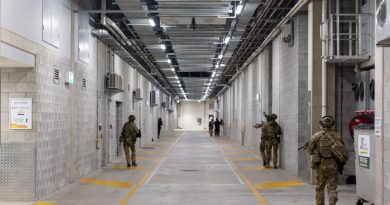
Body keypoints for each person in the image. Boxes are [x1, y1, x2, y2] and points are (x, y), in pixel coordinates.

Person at [307, 116, 347, 205]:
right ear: (332, 124)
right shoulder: (337, 135)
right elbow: (342, 150)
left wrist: (316, 151)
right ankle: (332, 202)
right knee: (332, 188)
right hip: (333, 165)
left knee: (319, 188)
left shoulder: (316, 136)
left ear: (321, 123)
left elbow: (310, 151)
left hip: (320, 166)